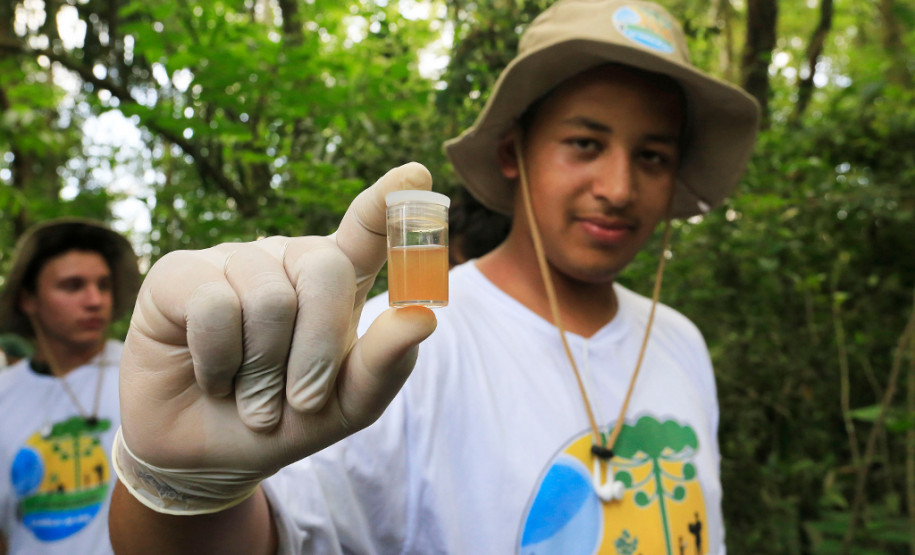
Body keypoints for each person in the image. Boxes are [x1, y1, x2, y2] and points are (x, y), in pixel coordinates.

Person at [108, 0, 759, 553]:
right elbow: (266, 533)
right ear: (513, 152)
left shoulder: (678, 340)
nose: (618, 188)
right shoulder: (403, 341)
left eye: (651, 155)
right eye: (584, 143)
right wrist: (180, 486)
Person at [0, 219, 141, 554]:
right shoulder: (4, 395)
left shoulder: (145, 375)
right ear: (28, 300)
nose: (95, 300)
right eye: (73, 286)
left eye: (104, 285)